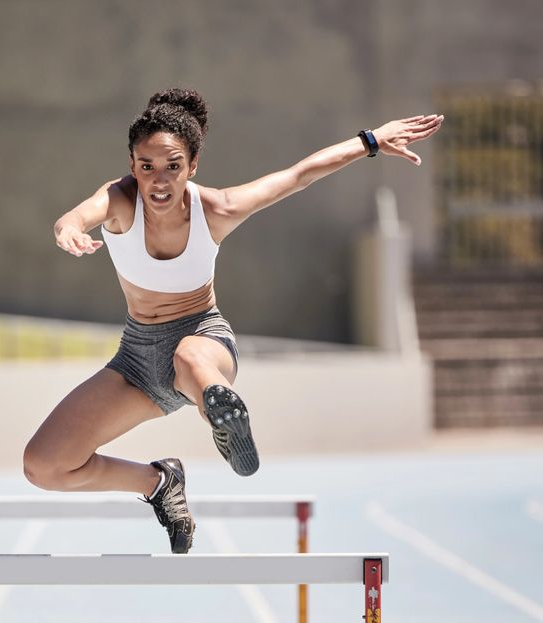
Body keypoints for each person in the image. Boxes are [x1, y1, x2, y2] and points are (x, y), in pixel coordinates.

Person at [23, 88, 443, 554]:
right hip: (136, 360)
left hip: (202, 338)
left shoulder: (217, 209)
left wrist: (371, 141)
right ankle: (159, 482)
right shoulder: (120, 200)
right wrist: (68, 230)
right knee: (44, 465)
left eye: (172, 167)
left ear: (193, 165)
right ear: (132, 164)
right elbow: (77, 215)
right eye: (146, 167)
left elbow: (297, 176)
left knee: (189, 358)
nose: (158, 182)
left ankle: (220, 410)